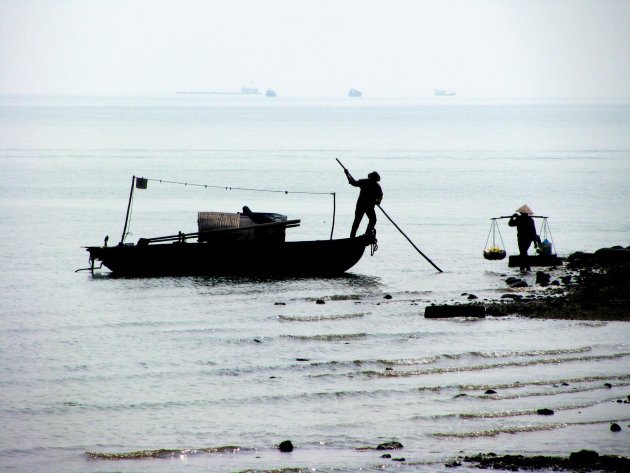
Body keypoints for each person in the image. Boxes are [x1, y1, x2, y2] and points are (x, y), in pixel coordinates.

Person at [345, 169, 383, 237]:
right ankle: (354, 236)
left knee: (372, 220)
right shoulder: (365, 182)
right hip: (362, 206)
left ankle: (367, 234)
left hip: (368, 206)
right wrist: (347, 174)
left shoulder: (375, 186)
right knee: (358, 221)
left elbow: (380, 196)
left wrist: (378, 201)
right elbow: (353, 183)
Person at [508, 204, 541, 272]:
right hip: (526, 239)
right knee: (523, 253)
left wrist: (512, 217)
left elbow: (510, 224)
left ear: (521, 213)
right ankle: (525, 268)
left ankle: (525, 268)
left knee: (523, 253)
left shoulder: (520, 219)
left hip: (523, 238)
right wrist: (535, 242)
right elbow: (533, 231)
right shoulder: (529, 219)